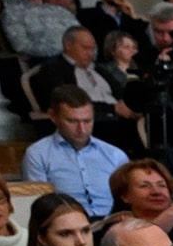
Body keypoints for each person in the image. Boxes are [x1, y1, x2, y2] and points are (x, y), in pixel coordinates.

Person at [21, 87, 128, 219]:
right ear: (53, 116)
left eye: (87, 121)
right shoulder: (37, 154)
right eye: (72, 121)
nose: (82, 129)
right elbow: (38, 205)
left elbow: (130, 199)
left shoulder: (115, 155)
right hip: (65, 225)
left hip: (113, 223)